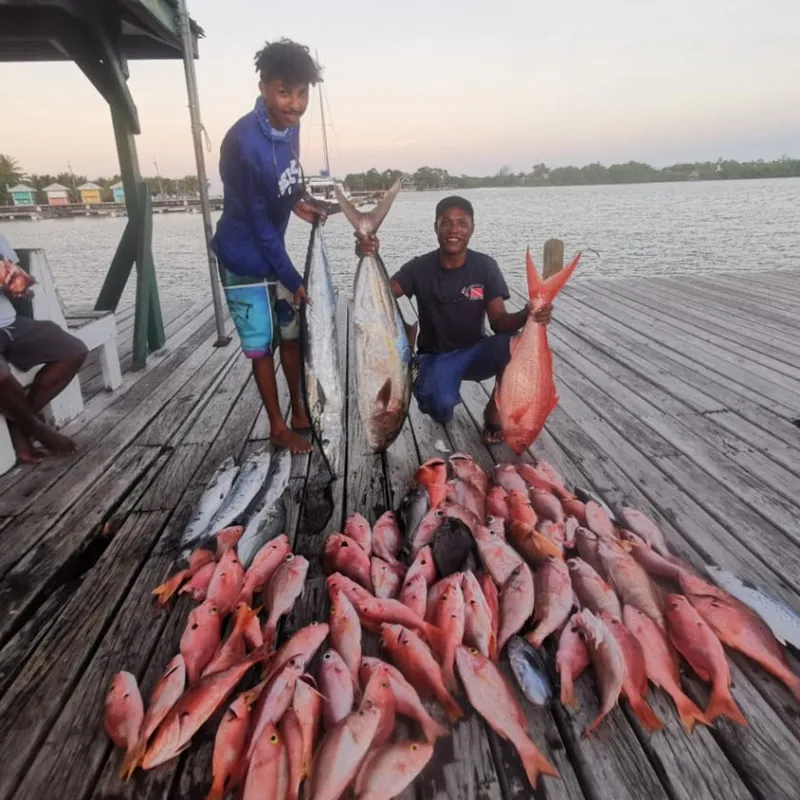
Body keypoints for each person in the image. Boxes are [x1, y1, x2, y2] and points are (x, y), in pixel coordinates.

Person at [356, 196, 552, 443]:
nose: (453, 229)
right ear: (435, 227)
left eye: (461, 223)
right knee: (438, 405)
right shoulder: (419, 267)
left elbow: (499, 322)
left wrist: (528, 315)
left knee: (516, 346)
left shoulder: (485, 267)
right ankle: (440, 401)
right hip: (435, 357)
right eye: (446, 222)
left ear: (472, 228)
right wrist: (368, 254)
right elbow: (383, 292)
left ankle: (494, 415)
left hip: (476, 352)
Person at [210, 38, 325, 455]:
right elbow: (258, 222)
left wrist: (299, 203)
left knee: (292, 335)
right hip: (243, 259)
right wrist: (291, 276)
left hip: (273, 252)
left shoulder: (288, 128)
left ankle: (298, 409)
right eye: (284, 91)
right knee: (262, 345)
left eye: (301, 93)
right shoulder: (242, 144)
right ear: (263, 87)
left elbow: (288, 181)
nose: (294, 104)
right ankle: (277, 426)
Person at [0, 232, 88, 464]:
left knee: (73, 350)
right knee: (1, 376)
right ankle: (39, 431)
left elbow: (22, 290)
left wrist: (18, 287)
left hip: (10, 324)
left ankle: (21, 426)